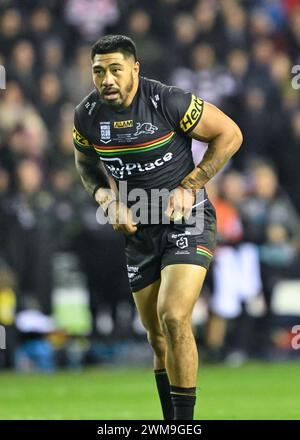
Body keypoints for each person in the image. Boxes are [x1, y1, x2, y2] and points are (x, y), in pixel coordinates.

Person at [73, 34, 242, 420]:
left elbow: (230, 134)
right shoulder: (86, 115)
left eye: (115, 69)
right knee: (157, 336)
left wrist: (190, 185)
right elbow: (85, 165)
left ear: (135, 68)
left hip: (188, 219)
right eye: (98, 71)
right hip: (139, 231)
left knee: (173, 315)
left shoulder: (167, 101)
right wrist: (107, 199)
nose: (107, 79)